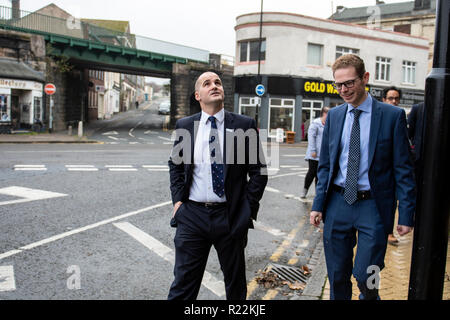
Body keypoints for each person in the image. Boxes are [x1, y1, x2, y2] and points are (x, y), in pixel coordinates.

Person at [309, 54, 415, 300]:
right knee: (337, 276)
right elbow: (325, 165)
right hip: (337, 203)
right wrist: (317, 205)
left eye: (350, 83)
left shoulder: (392, 115)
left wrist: (407, 215)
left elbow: (403, 169)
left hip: (373, 207)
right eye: (339, 84)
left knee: (367, 275)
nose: (343, 90)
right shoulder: (334, 116)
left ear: (365, 78)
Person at [167, 71, 268, 300]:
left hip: (229, 216)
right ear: (197, 95)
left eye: (218, 82)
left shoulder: (243, 125)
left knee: (235, 286)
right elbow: (175, 165)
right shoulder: (186, 125)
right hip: (192, 215)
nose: (214, 86)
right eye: (207, 83)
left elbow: (259, 172)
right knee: (183, 285)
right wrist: (178, 203)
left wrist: (246, 210)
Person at [382, 86, 403, 245]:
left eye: (396, 98)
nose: (394, 101)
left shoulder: (400, 116)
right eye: (390, 98)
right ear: (384, 99)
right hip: (378, 174)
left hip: (393, 173)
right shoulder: (378, 117)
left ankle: (389, 232)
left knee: (391, 204)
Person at [301, 106, 330, 198]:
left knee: (320, 174)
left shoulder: (329, 124)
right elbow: (311, 137)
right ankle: (304, 190)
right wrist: (313, 150)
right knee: (312, 172)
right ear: (324, 113)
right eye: (328, 114)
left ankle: (318, 193)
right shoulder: (315, 124)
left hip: (324, 154)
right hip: (314, 154)